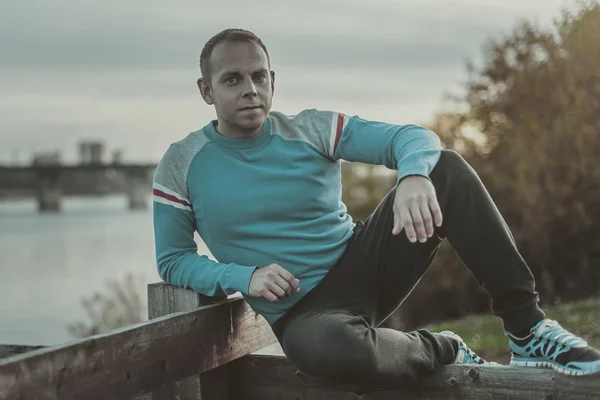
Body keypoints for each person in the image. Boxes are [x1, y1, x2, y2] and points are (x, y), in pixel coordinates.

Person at [152, 28, 600, 385]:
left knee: (444, 169)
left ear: (273, 80)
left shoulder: (312, 129)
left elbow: (415, 138)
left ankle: (527, 331)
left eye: (259, 76)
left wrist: (412, 176)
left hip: (364, 262)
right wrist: (241, 276)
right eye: (233, 79)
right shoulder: (183, 163)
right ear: (206, 89)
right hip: (302, 313)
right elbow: (173, 259)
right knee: (328, 348)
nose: (250, 89)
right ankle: (443, 347)